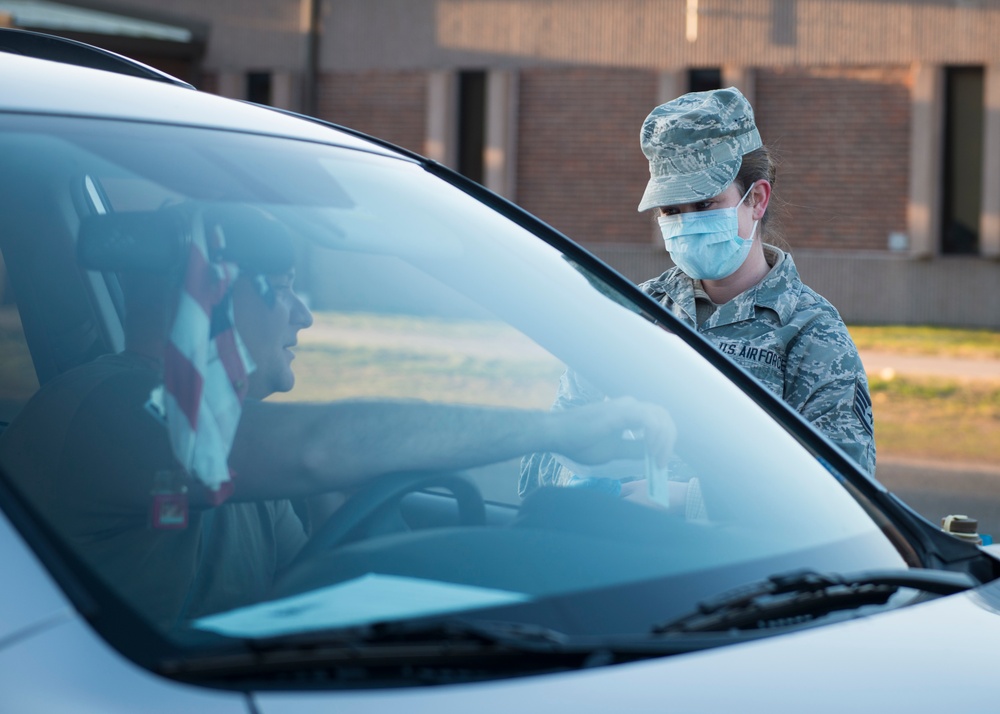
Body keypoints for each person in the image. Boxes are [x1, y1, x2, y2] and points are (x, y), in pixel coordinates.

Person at [0, 204, 675, 629]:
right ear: (213, 301)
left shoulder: (240, 446)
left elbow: (316, 583)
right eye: (286, 292)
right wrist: (558, 431)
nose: (305, 316)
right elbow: (320, 445)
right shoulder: (102, 414)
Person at [520, 87, 874, 497]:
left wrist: (693, 503)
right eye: (671, 210)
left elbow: (847, 490)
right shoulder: (633, 314)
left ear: (756, 199)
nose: (686, 223)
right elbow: (543, 458)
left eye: (705, 204)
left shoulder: (810, 333)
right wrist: (597, 492)